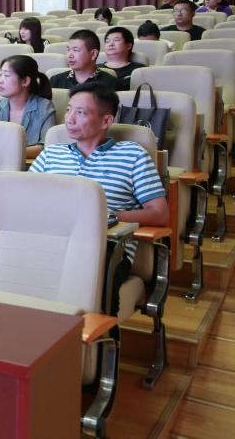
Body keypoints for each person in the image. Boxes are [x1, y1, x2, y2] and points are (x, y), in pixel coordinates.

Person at [30, 85, 167, 310]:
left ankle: (98, 333)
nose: (70, 119)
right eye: (69, 110)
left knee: (82, 278)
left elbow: (159, 213)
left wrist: (107, 217)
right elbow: (25, 199)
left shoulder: (133, 155)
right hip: (50, 240)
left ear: (106, 121)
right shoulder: (51, 153)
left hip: (105, 248)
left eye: (81, 112)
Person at [0, 55, 56, 158]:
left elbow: (47, 147)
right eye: (0, 75)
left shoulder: (45, 107)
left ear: (25, 81)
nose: (0, 80)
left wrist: (8, 153)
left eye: (6, 75)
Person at [50, 30, 117, 90]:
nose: (70, 55)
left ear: (93, 54)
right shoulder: (55, 81)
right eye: (68, 50)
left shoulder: (111, 83)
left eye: (75, 50)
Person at [101, 27, 145, 91]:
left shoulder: (140, 70)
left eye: (116, 40)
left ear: (128, 46)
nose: (111, 44)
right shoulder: (95, 69)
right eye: (107, 41)